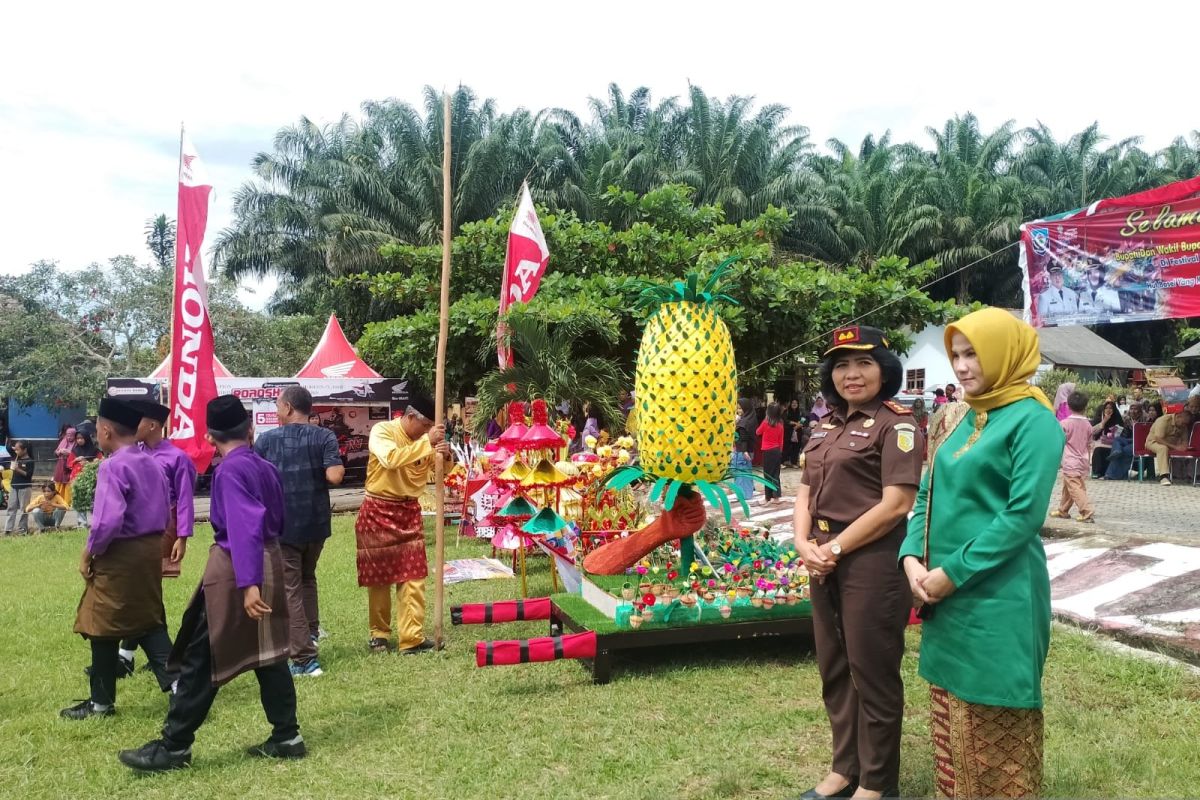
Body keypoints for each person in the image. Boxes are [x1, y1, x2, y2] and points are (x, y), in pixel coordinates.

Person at [900, 307, 1064, 799]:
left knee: (995, 718)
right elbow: (927, 493)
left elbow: (1022, 516)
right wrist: (912, 558)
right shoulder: (956, 415)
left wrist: (953, 572)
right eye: (956, 355)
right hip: (943, 593)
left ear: (1005, 354)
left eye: (973, 353)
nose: (963, 366)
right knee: (949, 719)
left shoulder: (1034, 422)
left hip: (999, 595)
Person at [118, 395, 302, 771]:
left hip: (239, 566)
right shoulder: (264, 467)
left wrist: (248, 583)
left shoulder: (230, 471)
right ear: (250, 429)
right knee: (270, 654)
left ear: (209, 435)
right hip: (270, 557)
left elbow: (243, 525)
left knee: (203, 653)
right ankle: (287, 735)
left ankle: (174, 746)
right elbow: (276, 520)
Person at [794, 326, 923, 800]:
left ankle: (877, 782)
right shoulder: (826, 425)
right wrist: (802, 541)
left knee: (872, 670)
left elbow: (896, 504)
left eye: (864, 363)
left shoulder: (898, 425)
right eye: (842, 365)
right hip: (822, 559)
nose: (852, 374)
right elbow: (806, 489)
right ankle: (844, 768)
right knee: (834, 666)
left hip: (870, 561)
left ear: (884, 370)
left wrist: (834, 548)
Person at [61, 398, 173, 720]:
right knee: (147, 619)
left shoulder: (113, 465)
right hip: (150, 549)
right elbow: (165, 507)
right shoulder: (151, 461)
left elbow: (107, 522)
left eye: (97, 428)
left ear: (106, 430)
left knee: (102, 622)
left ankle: (102, 704)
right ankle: (182, 692)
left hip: (120, 554)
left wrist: (88, 553)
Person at [254, 385, 344, 677]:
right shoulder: (325, 436)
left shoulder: (266, 441)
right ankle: (311, 633)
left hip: (283, 525)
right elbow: (335, 476)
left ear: (289, 408)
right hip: (316, 524)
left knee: (290, 587)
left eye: (278, 405)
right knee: (307, 578)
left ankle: (305, 659)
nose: (276, 410)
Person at [356, 392, 447, 654]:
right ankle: (379, 634)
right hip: (377, 510)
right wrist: (428, 442)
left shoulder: (424, 441)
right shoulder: (382, 431)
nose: (428, 430)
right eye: (426, 425)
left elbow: (436, 472)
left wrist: (444, 455)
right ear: (410, 417)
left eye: (431, 427)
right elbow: (391, 459)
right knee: (379, 579)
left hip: (408, 512)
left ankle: (412, 639)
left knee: (414, 576)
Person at [1050, 391, 1096, 523]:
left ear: (1068, 406)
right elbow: (1089, 443)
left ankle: (1086, 510)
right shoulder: (1088, 424)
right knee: (1069, 485)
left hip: (1070, 461)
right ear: (1085, 407)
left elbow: (1058, 443)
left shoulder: (1064, 423)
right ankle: (1063, 510)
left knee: (1075, 487)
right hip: (1083, 460)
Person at [1146, 408, 1195, 486]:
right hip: (1154, 442)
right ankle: (1163, 476)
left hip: (1171, 444)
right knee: (1163, 448)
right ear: (1178, 416)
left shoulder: (1183, 425)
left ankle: (1186, 475)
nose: (1184, 425)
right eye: (1183, 423)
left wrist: (1184, 447)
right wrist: (1176, 447)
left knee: (1187, 451)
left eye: (1186, 424)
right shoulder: (1163, 420)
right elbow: (1158, 439)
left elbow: (1185, 440)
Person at [68, 428, 102, 528]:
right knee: (79, 500)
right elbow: (68, 464)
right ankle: (82, 523)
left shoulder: (95, 451)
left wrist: (88, 463)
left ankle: (96, 523)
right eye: (77, 438)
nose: (79, 440)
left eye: (82, 438)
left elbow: (101, 462)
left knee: (92, 500)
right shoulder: (74, 450)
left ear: (86, 438)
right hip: (77, 479)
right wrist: (75, 460)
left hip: (91, 479)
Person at [1105, 403, 1142, 481]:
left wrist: (1136, 426)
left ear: (1140, 411)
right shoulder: (1127, 420)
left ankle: (1110, 474)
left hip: (1139, 442)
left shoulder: (1144, 419)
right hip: (1129, 441)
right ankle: (1117, 450)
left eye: (1135, 409)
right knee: (1117, 439)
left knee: (1124, 451)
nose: (1133, 411)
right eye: (1131, 409)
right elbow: (1124, 435)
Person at [4, 439, 34, 534]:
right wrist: (13, 447)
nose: (16, 451)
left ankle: (22, 528)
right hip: (14, 486)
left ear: (24, 450)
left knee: (23, 509)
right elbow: (8, 447)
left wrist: (17, 469)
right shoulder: (15, 456)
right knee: (11, 507)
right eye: (15, 450)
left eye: (18, 449)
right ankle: (8, 529)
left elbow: (28, 475)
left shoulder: (30, 460)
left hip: (25, 487)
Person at [756, 403, 785, 502]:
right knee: (776, 474)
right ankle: (776, 497)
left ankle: (768, 497)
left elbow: (757, 432)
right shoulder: (780, 424)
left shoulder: (765, 422)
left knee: (767, 475)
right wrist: (780, 452)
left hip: (767, 451)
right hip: (776, 451)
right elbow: (781, 440)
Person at [1090, 400, 1123, 478]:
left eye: (1110, 408)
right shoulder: (1098, 419)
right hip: (1100, 443)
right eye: (1106, 408)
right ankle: (1096, 472)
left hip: (1112, 444)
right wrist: (1104, 421)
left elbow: (1119, 435)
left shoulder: (1118, 420)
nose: (1108, 410)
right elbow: (1092, 432)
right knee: (1098, 449)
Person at [733, 398, 756, 500]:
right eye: (738, 408)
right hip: (748, 450)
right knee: (746, 472)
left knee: (741, 474)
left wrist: (744, 451)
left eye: (741, 409)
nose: (739, 411)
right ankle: (747, 493)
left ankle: (742, 495)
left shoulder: (743, 422)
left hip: (742, 451)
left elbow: (743, 438)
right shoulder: (751, 419)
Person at [53, 424, 76, 505]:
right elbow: (56, 452)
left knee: (68, 482)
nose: (69, 437)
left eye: (71, 436)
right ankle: (58, 499)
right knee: (59, 481)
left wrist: (69, 453)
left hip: (70, 465)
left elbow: (77, 454)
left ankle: (67, 501)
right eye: (68, 435)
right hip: (61, 464)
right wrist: (59, 452)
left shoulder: (76, 443)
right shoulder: (63, 441)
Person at [784, 398, 805, 467]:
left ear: (798, 404)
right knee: (787, 446)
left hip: (798, 431)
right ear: (790, 404)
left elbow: (803, 419)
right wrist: (795, 423)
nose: (794, 404)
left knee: (796, 447)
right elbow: (785, 420)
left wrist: (798, 425)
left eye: (796, 403)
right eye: (793, 403)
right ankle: (785, 461)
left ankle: (794, 462)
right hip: (789, 431)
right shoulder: (786, 411)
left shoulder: (800, 411)